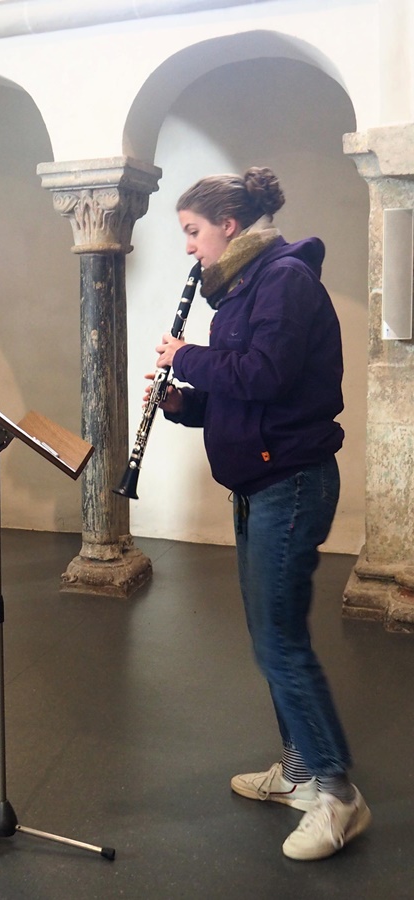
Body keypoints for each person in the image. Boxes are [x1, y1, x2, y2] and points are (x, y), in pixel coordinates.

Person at [152, 167, 366, 861]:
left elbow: (266, 374)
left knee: (280, 641)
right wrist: (189, 403)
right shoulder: (243, 288)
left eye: (192, 232)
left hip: (292, 483)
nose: (189, 248)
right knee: (268, 635)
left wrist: (190, 356)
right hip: (259, 480)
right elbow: (249, 391)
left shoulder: (283, 281)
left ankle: (338, 795)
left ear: (230, 226)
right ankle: (302, 773)